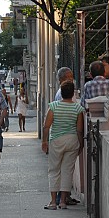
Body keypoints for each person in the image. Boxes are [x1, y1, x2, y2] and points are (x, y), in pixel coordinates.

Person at [41, 81, 85, 210]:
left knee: (54, 169)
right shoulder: (78, 108)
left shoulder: (53, 106)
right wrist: (81, 144)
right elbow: (79, 129)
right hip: (72, 140)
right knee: (67, 170)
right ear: (72, 94)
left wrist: (44, 142)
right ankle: (63, 202)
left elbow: (46, 126)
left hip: (56, 140)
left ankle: (53, 201)